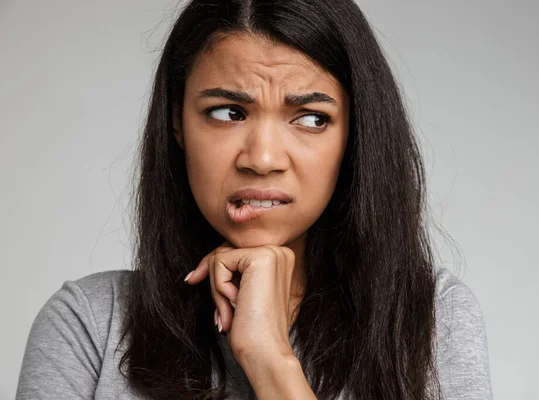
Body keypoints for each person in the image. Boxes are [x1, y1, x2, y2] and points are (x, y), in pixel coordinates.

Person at [16, 0, 493, 399]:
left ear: (355, 135)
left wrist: (270, 360)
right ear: (177, 122)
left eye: (310, 118)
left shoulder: (432, 321)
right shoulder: (89, 323)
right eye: (228, 112)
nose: (262, 159)